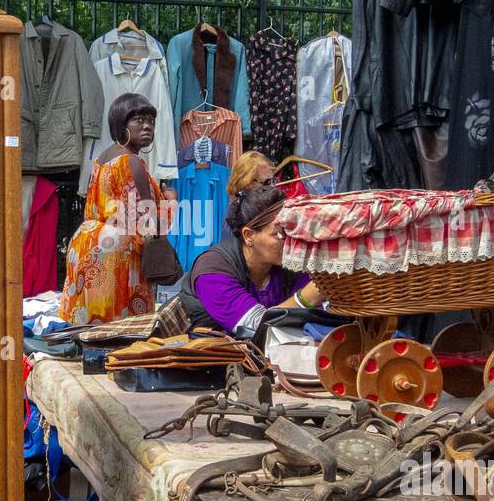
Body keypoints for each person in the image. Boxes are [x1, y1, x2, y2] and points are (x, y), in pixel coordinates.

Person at [60, 93, 163, 325]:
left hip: (86, 242)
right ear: (121, 123)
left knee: (90, 324)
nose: (147, 126)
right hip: (116, 253)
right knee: (121, 331)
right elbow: (145, 220)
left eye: (151, 121)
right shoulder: (132, 161)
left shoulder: (102, 158)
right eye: (138, 120)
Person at [180, 184, 324, 336]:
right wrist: (305, 299)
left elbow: (315, 315)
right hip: (212, 356)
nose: (290, 242)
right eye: (279, 235)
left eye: (292, 232)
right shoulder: (212, 270)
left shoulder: (287, 264)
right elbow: (253, 326)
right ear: (249, 235)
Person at [220, 151, 276, 241]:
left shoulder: (265, 205)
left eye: (274, 181)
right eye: (267, 182)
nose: (273, 187)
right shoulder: (236, 214)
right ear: (247, 183)